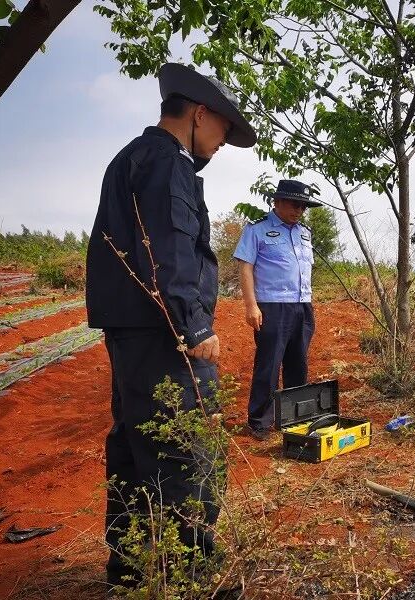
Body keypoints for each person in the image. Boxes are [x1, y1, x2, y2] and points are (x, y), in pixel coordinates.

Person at [86, 62, 257, 589]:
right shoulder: (169, 163)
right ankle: (194, 573)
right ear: (200, 114)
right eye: (223, 130)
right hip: (165, 334)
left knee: (136, 445)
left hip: (135, 332)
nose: (222, 142)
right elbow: (171, 248)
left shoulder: (134, 157)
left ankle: (130, 569)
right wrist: (196, 326)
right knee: (186, 446)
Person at [233, 180, 322, 439]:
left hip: (302, 305)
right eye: (295, 204)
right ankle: (260, 422)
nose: (299, 210)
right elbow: (246, 268)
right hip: (272, 306)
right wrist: (251, 305)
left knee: (298, 364)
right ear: (277, 202)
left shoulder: (305, 232)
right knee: (268, 364)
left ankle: (293, 418)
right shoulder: (257, 230)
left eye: (303, 206)